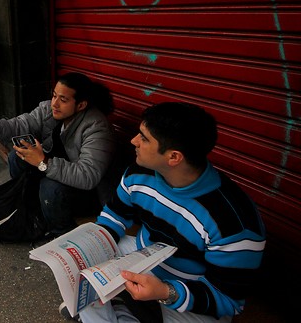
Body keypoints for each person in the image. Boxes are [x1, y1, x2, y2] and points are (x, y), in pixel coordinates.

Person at [73, 102, 266, 323]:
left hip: (193, 284)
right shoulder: (139, 171)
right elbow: (114, 215)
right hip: (142, 254)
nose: (133, 140)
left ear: (174, 157)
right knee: (82, 266)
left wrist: (167, 292)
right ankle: (112, 307)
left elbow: (228, 299)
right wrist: (91, 246)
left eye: (144, 138)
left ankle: (123, 308)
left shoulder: (234, 221)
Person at [0, 72, 116, 236]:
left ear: (81, 105)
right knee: (16, 157)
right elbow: (19, 125)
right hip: (57, 170)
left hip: (87, 191)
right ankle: (29, 205)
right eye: (54, 96)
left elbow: (87, 176)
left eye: (63, 100)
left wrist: (43, 162)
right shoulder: (49, 111)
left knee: (50, 187)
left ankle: (60, 231)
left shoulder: (96, 127)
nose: (55, 104)